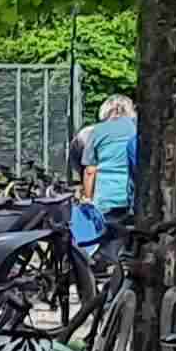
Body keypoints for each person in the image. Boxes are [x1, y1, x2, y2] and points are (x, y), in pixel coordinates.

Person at [72, 93, 139, 248]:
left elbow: (90, 170)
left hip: (105, 195)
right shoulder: (136, 128)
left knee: (104, 236)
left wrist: (87, 198)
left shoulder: (97, 131)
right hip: (131, 194)